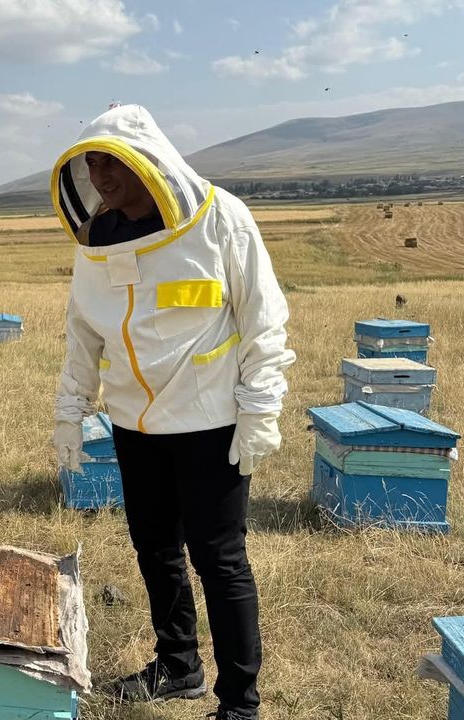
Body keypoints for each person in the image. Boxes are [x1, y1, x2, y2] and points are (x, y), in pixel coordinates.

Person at [49, 104, 296, 720]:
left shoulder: (222, 220)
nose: (102, 176)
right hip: (134, 423)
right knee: (154, 547)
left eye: (114, 162)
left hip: (209, 422)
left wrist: (260, 408)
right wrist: (69, 409)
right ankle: (179, 665)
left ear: (150, 160)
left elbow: (263, 320)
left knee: (220, 558)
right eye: (94, 164)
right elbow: (83, 332)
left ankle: (240, 701)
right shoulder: (98, 239)